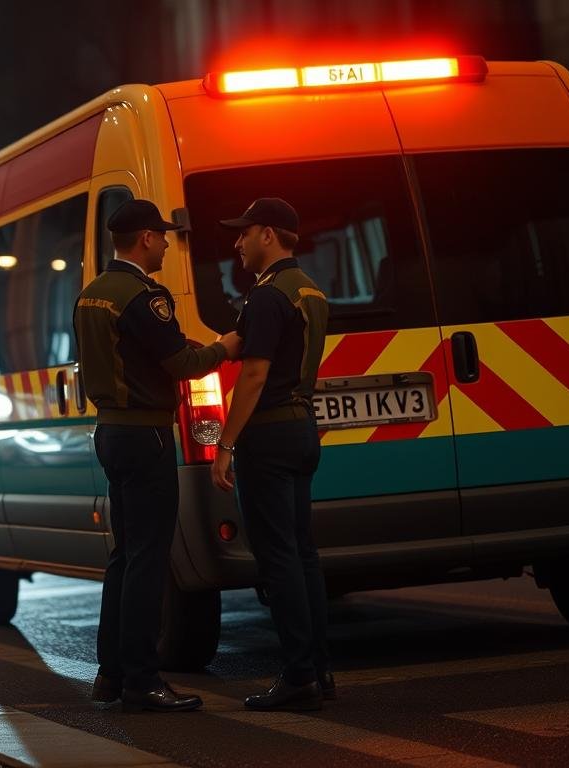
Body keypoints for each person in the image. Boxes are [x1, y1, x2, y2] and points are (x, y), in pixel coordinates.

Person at [74, 199, 237, 713]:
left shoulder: (92, 295)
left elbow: (139, 350)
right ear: (144, 238)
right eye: (162, 236)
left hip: (111, 433)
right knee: (149, 560)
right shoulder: (145, 296)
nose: (167, 242)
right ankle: (143, 680)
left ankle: (112, 673)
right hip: (147, 436)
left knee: (125, 556)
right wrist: (226, 347)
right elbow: (181, 361)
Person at [213, 198, 332, 712]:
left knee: (278, 558)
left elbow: (256, 374)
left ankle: (299, 675)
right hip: (304, 429)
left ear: (267, 234)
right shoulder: (309, 290)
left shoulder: (266, 296)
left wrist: (224, 445)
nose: (237, 243)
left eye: (243, 233)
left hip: (270, 435)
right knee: (304, 556)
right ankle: (318, 670)